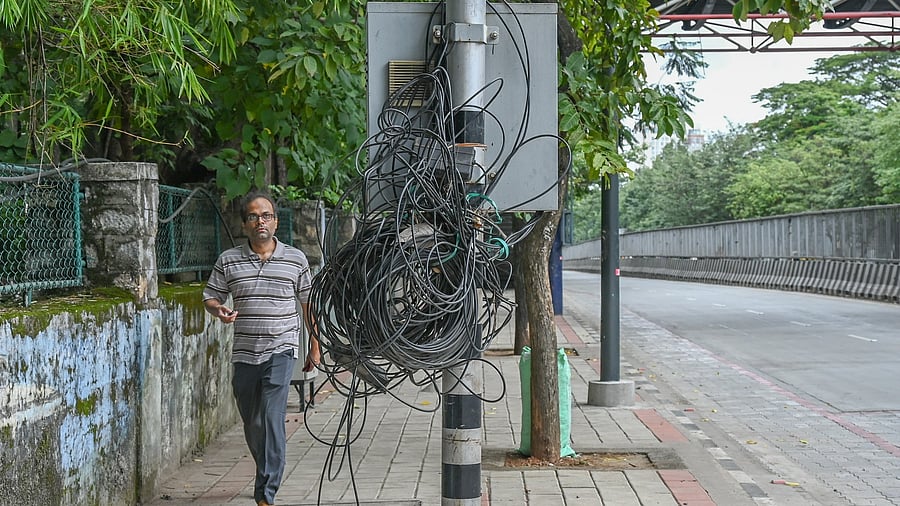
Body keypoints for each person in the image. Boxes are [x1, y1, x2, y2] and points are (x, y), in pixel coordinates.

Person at [202, 190, 320, 506]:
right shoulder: (229, 260)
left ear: (276, 222)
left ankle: (265, 492)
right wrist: (219, 310)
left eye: (266, 215)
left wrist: (315, 345)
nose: (260, 221)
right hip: (245, 352)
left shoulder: (296, 259)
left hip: (281, 349)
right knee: (253, 422)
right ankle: (266, 465)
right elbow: (211, 296)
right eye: (253, 216)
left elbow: (309, 305)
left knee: (271, 416)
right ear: (245, 224)